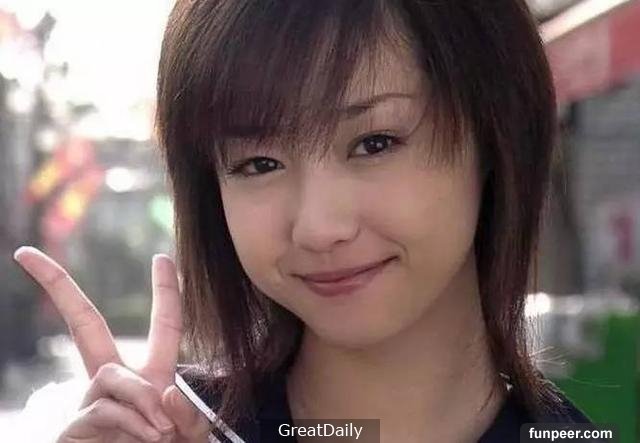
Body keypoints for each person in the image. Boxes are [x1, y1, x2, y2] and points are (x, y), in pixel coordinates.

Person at [13, 0, 597, 442]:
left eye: (374, 142)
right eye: (259, 163)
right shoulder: (165, 428)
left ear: (493, 135)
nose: (317, 227)